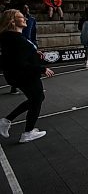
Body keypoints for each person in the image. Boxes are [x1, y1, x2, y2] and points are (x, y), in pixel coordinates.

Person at [0, 9, 54, 143]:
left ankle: (7, 121)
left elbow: (18, 55)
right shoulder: (15, 39)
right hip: (25, 75)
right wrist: (42, 68)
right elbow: (18, 62)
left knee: (36, 98)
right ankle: (27, 132)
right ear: (12, 21)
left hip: (22, 75)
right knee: (37, 98)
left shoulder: (13, 37)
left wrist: (34, 53)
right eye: (21, 17)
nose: (25, 18)